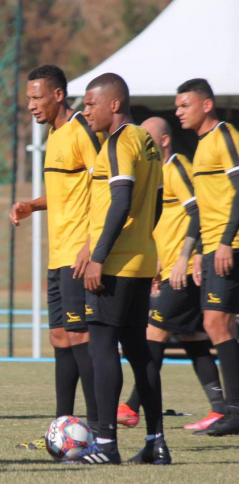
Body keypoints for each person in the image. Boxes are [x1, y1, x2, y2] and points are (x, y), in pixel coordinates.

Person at [78, 73, 169, 465]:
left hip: (113, 265)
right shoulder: (147, 142)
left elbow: (121, 201)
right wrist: (143, 246)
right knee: (138, 350)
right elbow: (159, 202)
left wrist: (99, 256)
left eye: (90, 103)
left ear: (114, 104)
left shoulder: (118, 142)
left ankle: (105, 445)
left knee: (102, 347)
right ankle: (156, 441)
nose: (86, 112)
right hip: (140, 260)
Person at [10, 65, 101, 450]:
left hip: (79, 254)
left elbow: (105, 188)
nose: (30, 105)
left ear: (58, 95)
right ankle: (59, 428)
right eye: (29, 98)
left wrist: (92, 245)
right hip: (57, 254)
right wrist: (32, 204)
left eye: (36, 97)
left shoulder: (82, 132)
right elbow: (65, 193)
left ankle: (99, 427)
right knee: (60, 337)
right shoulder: (54, 134)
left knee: (80, 336)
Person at [117, 117, 225, 433]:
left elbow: (199, 213)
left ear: (164, 141)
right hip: (167, 271)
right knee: (193, 338)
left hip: (186, 271)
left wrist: (185, 258)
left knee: (155, 331)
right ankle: (220, 409)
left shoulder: (178, 168)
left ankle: (131, 407)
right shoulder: (154, 174)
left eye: (148, 138)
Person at [176, 78, 239, 436]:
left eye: (184, 105)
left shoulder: (225, 135)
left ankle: (234, 410)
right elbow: (203, 208)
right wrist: (198, 251)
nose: (178, 111)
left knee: (217, 323)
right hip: (212, 245)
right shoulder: (200, 148)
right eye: (177, 106)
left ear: (206, 105)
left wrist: (227, 241)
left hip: (230, 243)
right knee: (220, 324)